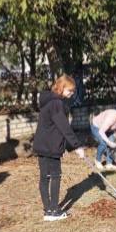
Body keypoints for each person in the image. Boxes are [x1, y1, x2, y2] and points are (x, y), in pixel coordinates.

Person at [32, 75, 90, 223]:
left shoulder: (47, 101)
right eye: (70, 90)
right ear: (62, 87)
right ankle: (54, 211)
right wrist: (77, 146)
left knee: (44, 177)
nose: (71, 94)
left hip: (41, 145)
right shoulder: (57, 103)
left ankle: (48, 210)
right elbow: (64, 128)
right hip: (51, 146)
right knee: (55, 176)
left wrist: (71, 146)